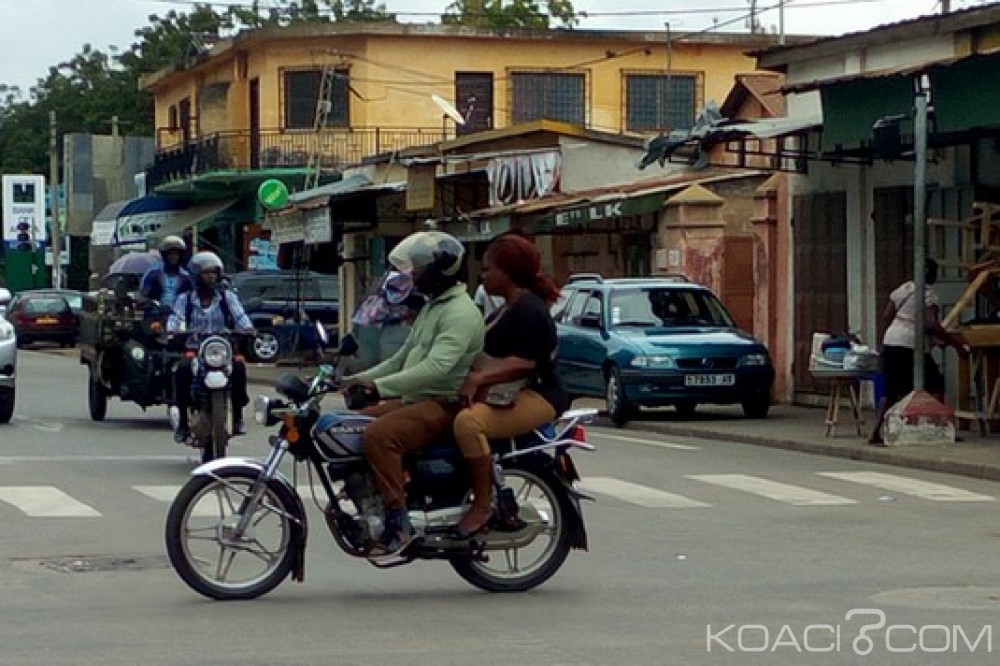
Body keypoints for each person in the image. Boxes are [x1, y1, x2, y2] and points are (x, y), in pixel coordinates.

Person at [343, 231, 484, 558]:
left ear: (441, 271)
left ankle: (398, 520)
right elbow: (400, 359)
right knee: (346, 426)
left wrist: (380, 387)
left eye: (419, 269)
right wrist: (356, 379)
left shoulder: (460, 312)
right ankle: (373, 497)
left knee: (380, 435)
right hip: (419, 401)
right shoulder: (433, 308)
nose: (413, 276)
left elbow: (436, 368)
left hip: (443, 404)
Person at [453, 234, 569, 536]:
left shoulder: (529, 309)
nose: (483, 275)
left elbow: (526, 362)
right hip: (507, 392)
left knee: (468, 424)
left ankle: (483, 504)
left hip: (539, 395)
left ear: (507, 271)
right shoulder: (506, 307)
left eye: (488, 268)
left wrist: (479, 377)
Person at [869, 258, 970, 444]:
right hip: (910, 345)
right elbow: (932, 324)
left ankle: (875, 433)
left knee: (891, 390)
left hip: (892, 340)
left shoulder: (905, 288)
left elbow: (886, 315)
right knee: (936, 384)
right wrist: (955, 344)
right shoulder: (928, 295)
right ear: (931, 275)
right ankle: (942, 427)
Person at [167, 251, 255, 443]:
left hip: (222, 349)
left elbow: (241, 318)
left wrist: (248, 329)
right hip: (195, 349)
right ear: (196, 276)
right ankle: (182, 422)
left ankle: (238, 416)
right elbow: (175, 320)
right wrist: (173, 331)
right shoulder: (185, 300)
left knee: (239, 367)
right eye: (206, 273)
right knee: (182, 370)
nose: (211, 277)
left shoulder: (227, 298)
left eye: (214, 273)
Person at [140, 236, 194, 309]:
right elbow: (144, 294)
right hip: (156, 314)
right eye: (170, 254)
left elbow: (192, 297)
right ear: (164, 255)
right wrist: (148, 301)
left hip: (179, 315)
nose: (173, 257)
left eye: (176, 254)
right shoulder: (153, 273)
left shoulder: (186, 276)